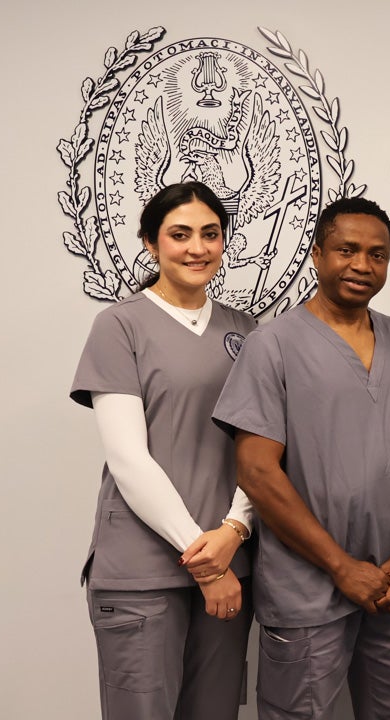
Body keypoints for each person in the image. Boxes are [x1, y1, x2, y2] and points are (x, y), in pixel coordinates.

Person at [212, 197, 390, 720]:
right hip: (308, 590)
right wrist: (340, 566)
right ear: (316, 254)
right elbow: (255, 470)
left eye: (377, 254)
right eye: (347, 250)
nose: (362, 265)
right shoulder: (272, 345)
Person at [70, 181, 257, 720]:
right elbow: (128, 459)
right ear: (151, 242)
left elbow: (261, 450)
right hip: (145, 571)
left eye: (210, 234)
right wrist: (207, 564)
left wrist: (236, 532)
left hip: (230, 557)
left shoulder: (245, 330)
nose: (197, 248)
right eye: (180, 235)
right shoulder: (119, 325)